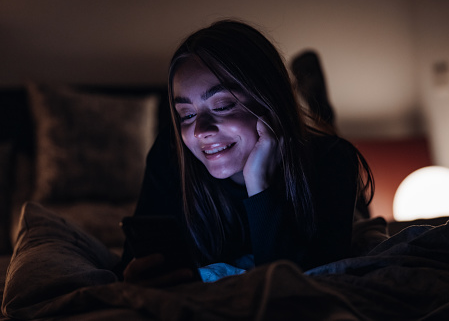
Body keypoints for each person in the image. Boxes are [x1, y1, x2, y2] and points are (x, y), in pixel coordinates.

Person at [118, 20, 374, 287]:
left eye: (223, 105)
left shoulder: (333, 159)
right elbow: (128, 268)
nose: (199, 131)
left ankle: (314, 93)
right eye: (187, 114)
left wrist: (258, 182)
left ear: (268, 100)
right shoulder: (172, 154)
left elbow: (296, 289)